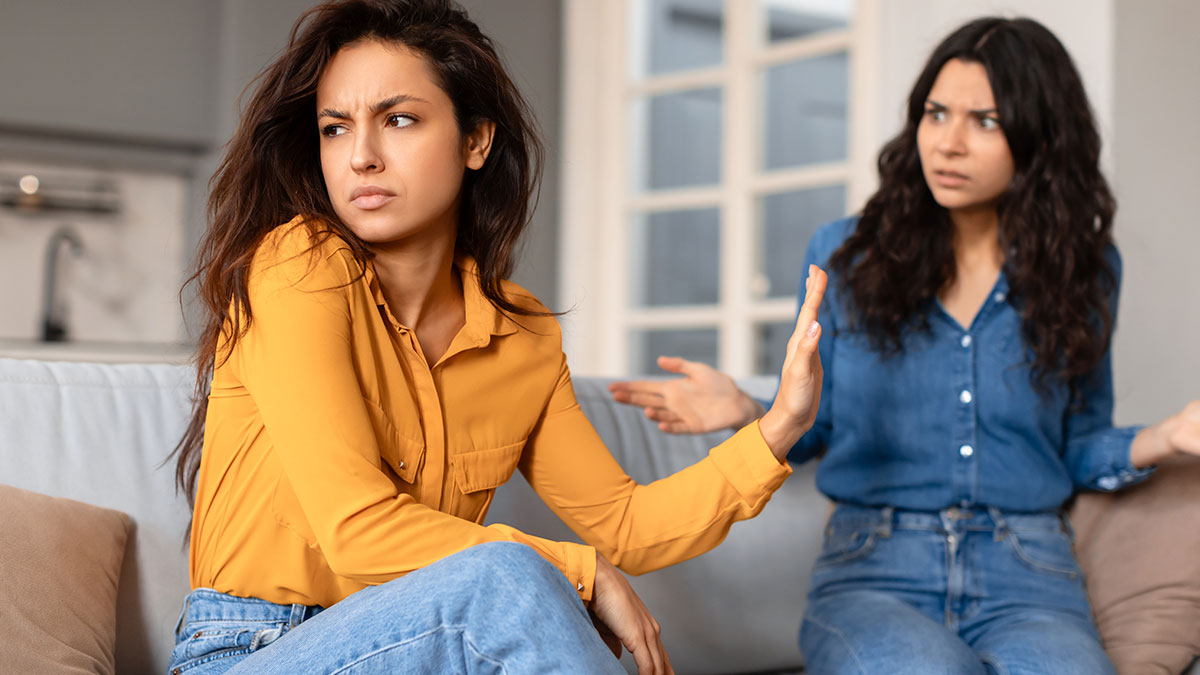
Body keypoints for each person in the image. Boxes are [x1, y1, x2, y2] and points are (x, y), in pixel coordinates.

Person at [165, 1, 829, 673]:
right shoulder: (296, 264)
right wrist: (578, 570)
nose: (360, 157)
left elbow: (626, 523)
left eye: (399, 120)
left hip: (428, 646)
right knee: (504, 575)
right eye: (335, 129)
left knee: (506, 577)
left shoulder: (521, 334)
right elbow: (357, 529)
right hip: (250, 651)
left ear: (475, 141)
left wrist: (781, 424)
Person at [610, 16, 1200, 675]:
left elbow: (1075, 444)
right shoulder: (846, 254)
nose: (947, 142)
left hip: (1030, 572)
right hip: (876, 568)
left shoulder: (1085, 270)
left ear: (1039, 137)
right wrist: (751, 409)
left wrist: (1167, 436)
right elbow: (819, 426)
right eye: (935, 113)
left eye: (985, 121)